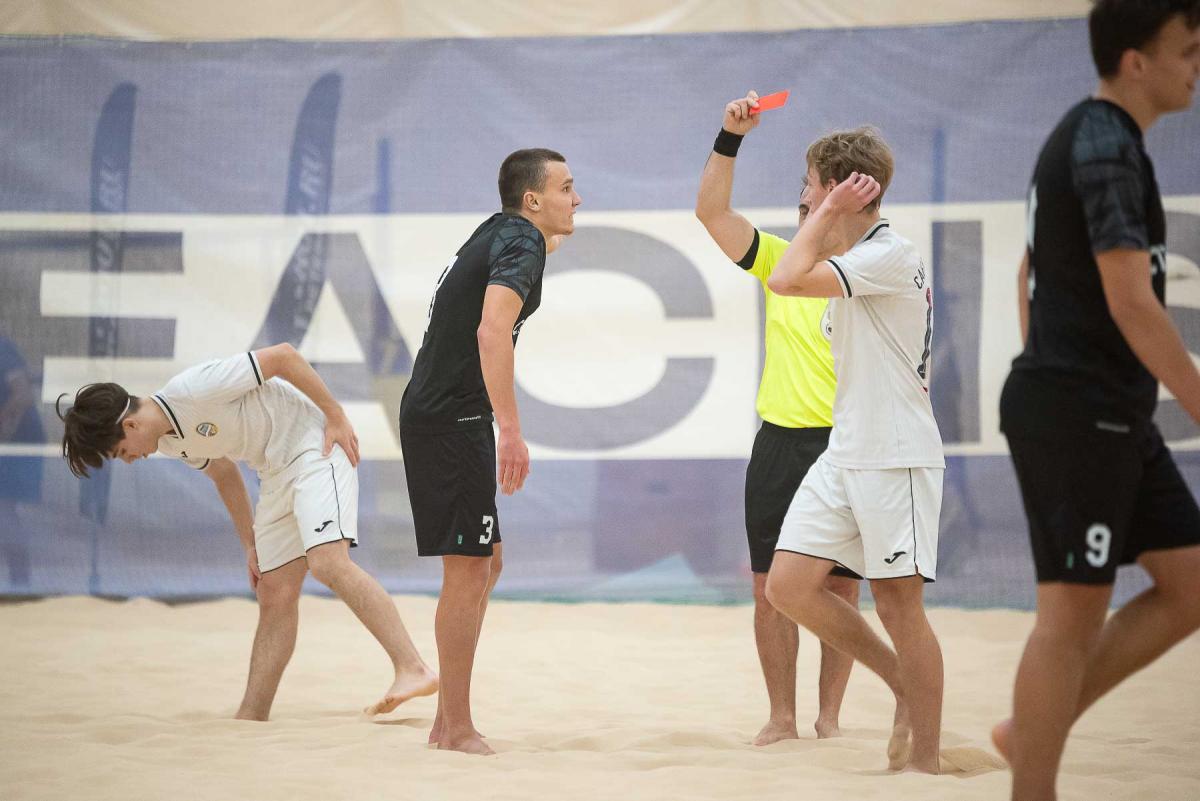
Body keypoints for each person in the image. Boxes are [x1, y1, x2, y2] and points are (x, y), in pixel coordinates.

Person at [996, 2, 1200, 798]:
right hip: (1079, 411)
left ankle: (1030, 728)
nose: (1197, 67)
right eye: (1187, 50)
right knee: (1069, 621)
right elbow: (1131, 301)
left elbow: (1029, 271)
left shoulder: (1100, 139)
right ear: (1136, 61)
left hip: (1103, 407)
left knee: (1189, 582)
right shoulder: (1104, 142)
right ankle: (1032, 779)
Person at [57, 343, 438, 721]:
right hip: (274, 471)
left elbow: (284, 357)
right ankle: (252, 714)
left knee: (327, 563)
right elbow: (224, 474)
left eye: (121, 452)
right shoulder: (171, 442)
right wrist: (250, 545)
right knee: (273, 590)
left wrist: (335, 415)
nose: (129, 461)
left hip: (316, 447)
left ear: (130, 425)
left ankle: (413, 668)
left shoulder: (194, 389)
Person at [760, 127, 946, 774]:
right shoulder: (854, 254)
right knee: (787, 587)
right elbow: (791, 270)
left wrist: (831, 209)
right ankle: (901, 680)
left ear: (841, 189)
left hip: (895, 455)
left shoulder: (887, 254)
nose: (803, 198)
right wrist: (827, 213)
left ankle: (926, 760)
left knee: (899, 605)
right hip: (846, 451)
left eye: (810, 185)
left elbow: (784, 279)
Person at [399, 148, 580, 755]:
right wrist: (512, 431)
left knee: (488, 562)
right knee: (469, 569)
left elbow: (530, 257)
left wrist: (553, 231)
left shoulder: (502, 231)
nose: (577, 198)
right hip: (451, 420)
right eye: (566, 188)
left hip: (446, 414)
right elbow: (491, 331)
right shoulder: (521, 242)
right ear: (533, 199)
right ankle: (456, 727)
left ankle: (445, 720)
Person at [694, 91, 861, 745]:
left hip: (846, 446)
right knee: (771, 588)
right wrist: (730, 135)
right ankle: (782, 717)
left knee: (840, 590)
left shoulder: (870, 270)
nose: (802, 201)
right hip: (780, 444)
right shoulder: (779, 260)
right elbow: (711, 213)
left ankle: (829, 718)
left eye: (812, 189)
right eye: (802, 192)